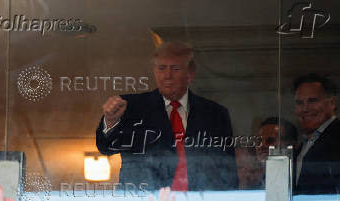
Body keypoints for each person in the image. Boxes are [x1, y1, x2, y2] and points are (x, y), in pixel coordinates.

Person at [96, 42, 238, 191]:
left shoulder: (215, 113)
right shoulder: (131, 107)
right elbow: (105, 147)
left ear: (190, 74)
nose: (167, 75)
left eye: (175, 68)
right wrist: (111, 120)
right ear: (154, 72)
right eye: (162, 68)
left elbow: (228, 169)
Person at [293, 73, 340, 195]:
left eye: (312, 101)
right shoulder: (303, 143)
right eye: (299, 103)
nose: (304, 108)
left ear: (332, 103)